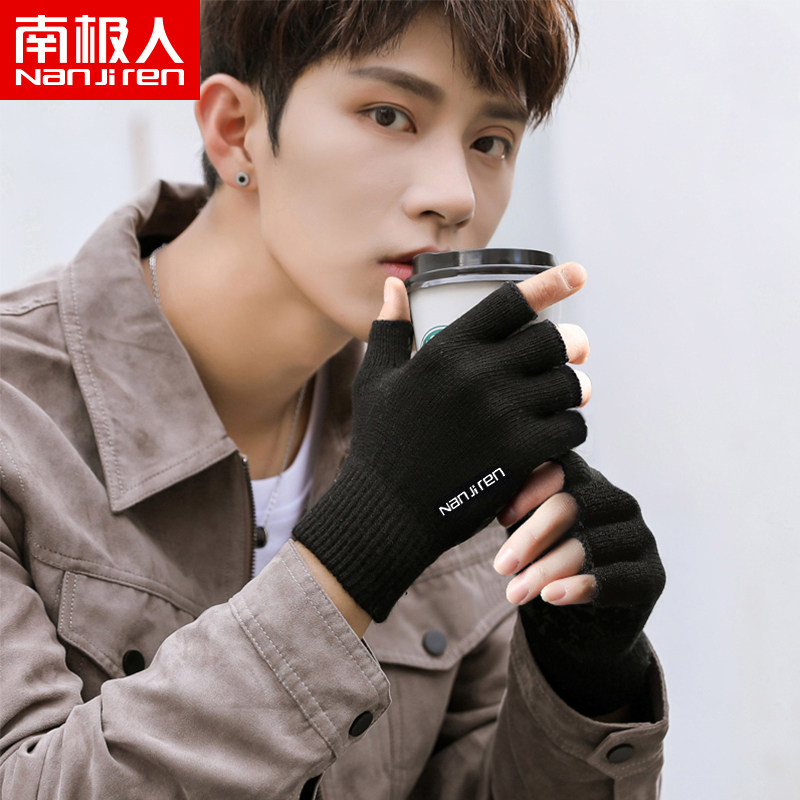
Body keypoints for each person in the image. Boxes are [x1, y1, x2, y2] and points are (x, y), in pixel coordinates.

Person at [0, 1, 667, 797]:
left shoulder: (442, 427)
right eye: (389, 115)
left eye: (490, 141)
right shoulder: (16, 415)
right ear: (235, 130)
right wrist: (364, 541)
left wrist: (586, 683)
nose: (455, 195)